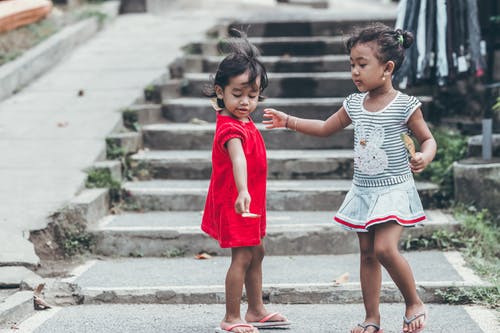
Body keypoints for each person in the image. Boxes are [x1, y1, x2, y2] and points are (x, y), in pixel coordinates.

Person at [263, 23, 436, 333]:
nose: (355, 72)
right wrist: (288, 121)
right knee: (367, 254)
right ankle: (372, 318)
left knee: (384, 249)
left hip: (394, 189)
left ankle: (413, 301)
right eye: (352, 65)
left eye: (362, 64)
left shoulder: (405, 105)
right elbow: (324, 127)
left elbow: (428, 140)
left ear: (387, 68)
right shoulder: (354, 104)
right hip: (364, 190)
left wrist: (425, 156)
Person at [201, 29, 290, 333]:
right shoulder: (229, 128)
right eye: (237, 94)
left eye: (252, 96)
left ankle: (255, 309)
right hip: (238, 201)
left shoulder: (243, 120)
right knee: (242, 256)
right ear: (219, 91)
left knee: (257, 251)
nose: (245, 102)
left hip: (251, 199)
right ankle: (231, 317)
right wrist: (242, 190)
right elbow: (238, 158)